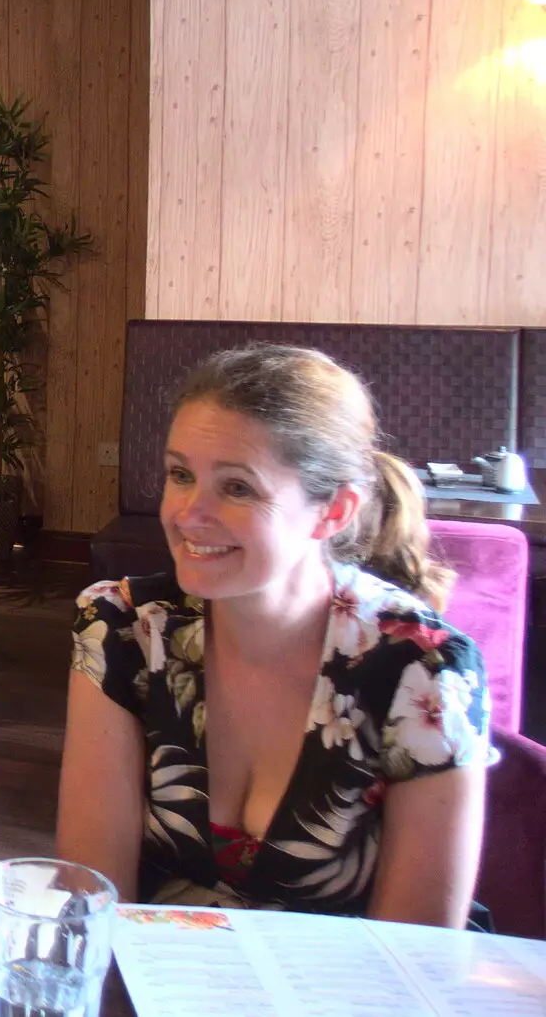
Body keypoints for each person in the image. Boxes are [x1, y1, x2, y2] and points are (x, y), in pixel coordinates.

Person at [57, 344, 489, 927]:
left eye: (237, 488)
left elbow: (415, 959)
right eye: (181, 474)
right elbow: (91, 900)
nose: (188, 513)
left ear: (333, 512)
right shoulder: (124, 626)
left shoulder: (425, 671)